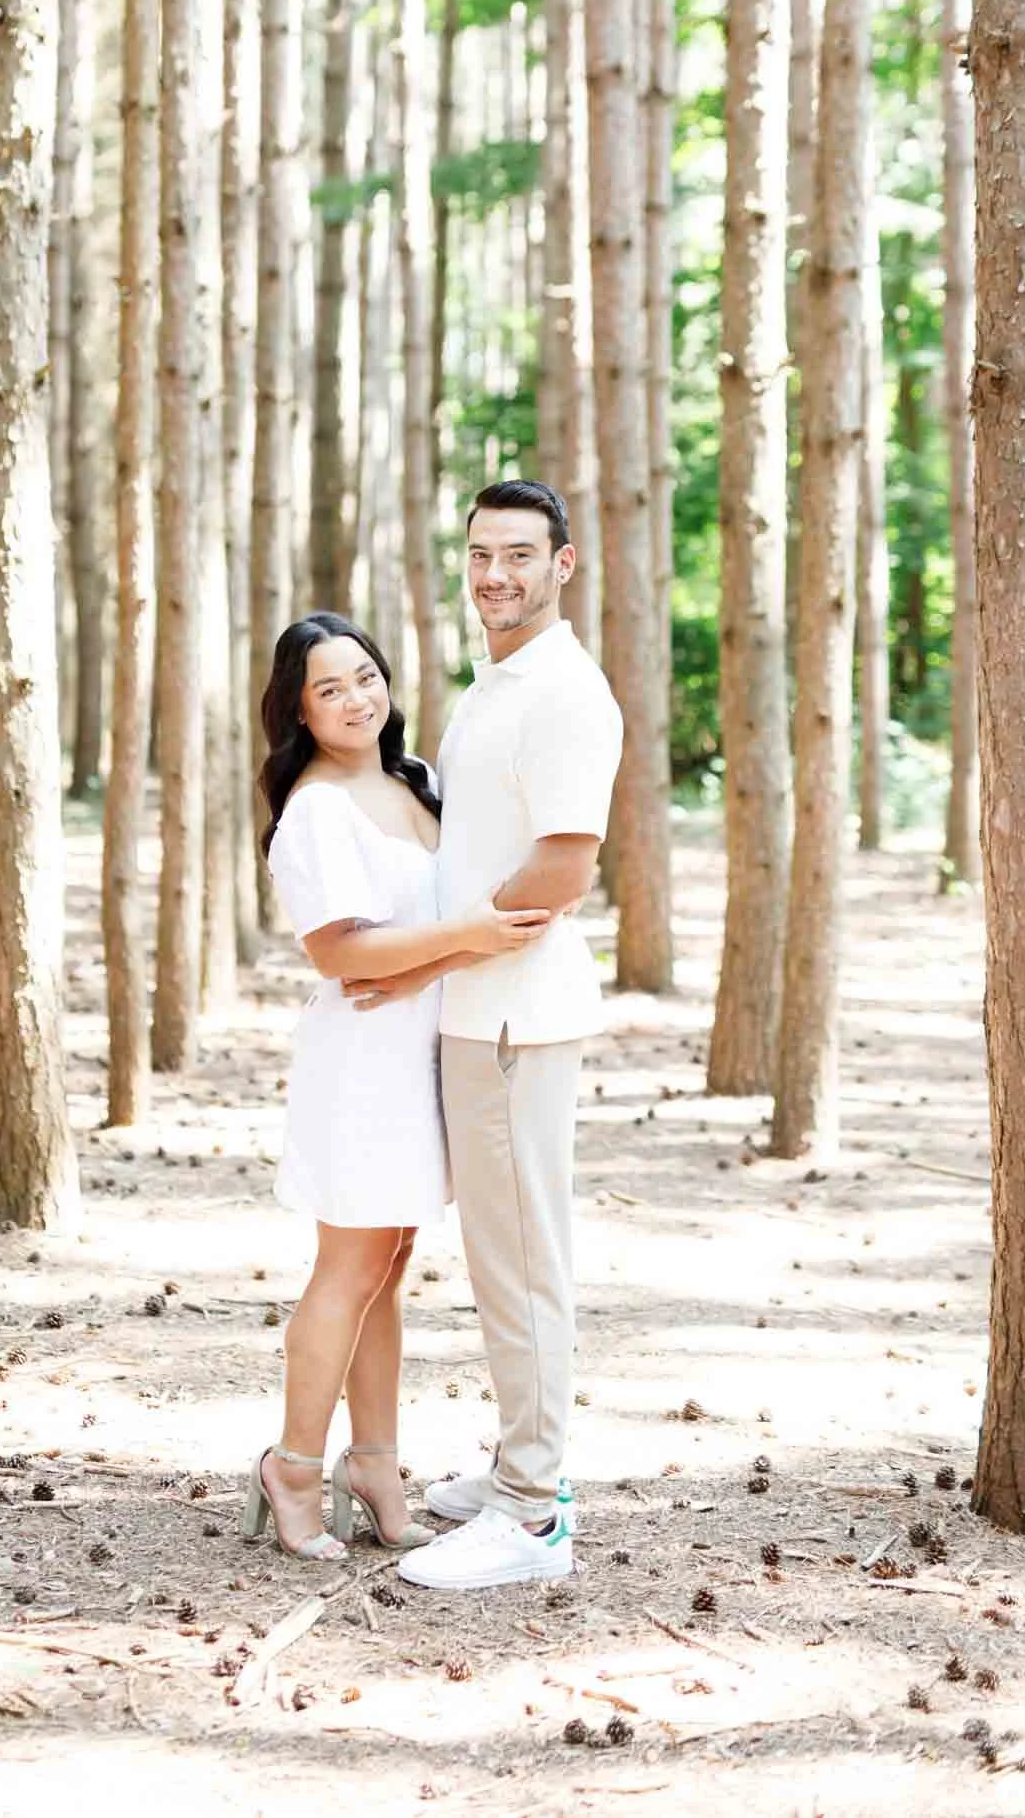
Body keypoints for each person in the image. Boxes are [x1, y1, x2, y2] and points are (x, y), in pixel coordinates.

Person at [243, 610, 554, 1562]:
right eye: (327, 688)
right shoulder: (316, 808)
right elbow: (340, 953)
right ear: (297, 710)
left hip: (425, 1048)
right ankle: (293, 1466)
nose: (354, 699)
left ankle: (373, 1465)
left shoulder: (414, 784)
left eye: (364, 676)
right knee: (348, 1268)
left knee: (386, 1274)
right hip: (364, 1057)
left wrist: (447, 958)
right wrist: (464, 940)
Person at [395, 481, 623, 1592]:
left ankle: (534, 1514)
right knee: (499, 1262)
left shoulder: (564, 694)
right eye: (481, 553)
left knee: (525, 1262)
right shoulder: (495, 684)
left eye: (519, 556)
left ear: (563, 565)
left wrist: (428, 956)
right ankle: (516, 1468)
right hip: (474, 1013)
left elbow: (561, 869)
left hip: (513, 1017)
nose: (494, 574)